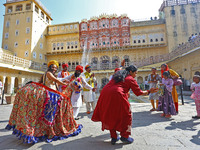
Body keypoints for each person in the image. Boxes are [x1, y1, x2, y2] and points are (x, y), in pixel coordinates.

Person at [5, 60, 82, 144]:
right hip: (49, 92)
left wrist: (64, 82)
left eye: (56, 68)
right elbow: (56, 80)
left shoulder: (52, 74)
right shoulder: (48, 73)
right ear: (49, 67)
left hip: (52, 90)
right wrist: (65, 84)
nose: (54, 69)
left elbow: (57, 80)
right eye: (53, 67)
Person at [91, 65, 158, 145]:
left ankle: (114, 137)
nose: (135, 75)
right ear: (131, 72)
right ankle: (125, 136)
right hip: (117, 93)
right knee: (126, 114)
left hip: (105, 92)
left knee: (111, 114)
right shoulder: (130, 78)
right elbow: (138, 93)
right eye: (135, 73)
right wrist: (149, 91)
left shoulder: (119, 75)